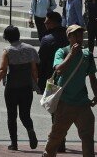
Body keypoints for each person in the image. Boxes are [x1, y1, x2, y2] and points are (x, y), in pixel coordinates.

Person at [43, 24, 97, 157]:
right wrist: (71, 55)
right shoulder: (62, 52)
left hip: (82, 103)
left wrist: (96, 94)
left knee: (87, 137)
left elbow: (92, 76)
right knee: (56, 136)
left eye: (81, 34)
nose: (80, 37)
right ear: (69, 37)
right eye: (76, 35)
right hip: (64, 103)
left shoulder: (87, 55)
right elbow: (59, 69)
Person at [0, 25, 40, 151]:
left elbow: (3, 69)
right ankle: (30, 130)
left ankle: (14, 143)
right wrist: (36, 84)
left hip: (12, 88)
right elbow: (34, 70)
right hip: (26, 87)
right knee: (25, 115)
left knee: (11, 116)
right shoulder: (30, 49)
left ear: (6, 37)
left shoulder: (7, 51)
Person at [37, 12, 69, 153]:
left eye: (47, 22)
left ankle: (59, 141)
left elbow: (41, 62)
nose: (45, 24)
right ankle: (61, 140)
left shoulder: (47, 39)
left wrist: (38, 82)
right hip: (69, 79)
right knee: (67, 111)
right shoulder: (69, 36)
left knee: (55, 111)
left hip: (52, 80)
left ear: (55, 22)